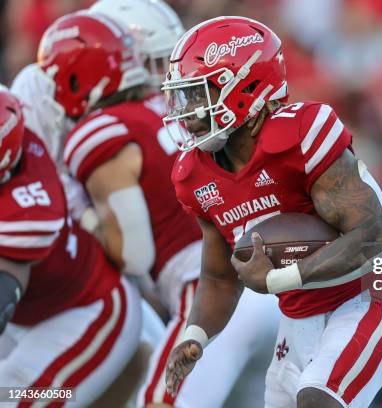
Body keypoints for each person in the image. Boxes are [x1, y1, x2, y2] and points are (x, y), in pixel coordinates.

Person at [163, 16, 382, 408]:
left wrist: (281, 278)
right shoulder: (194, 174)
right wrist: (194, 335)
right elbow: (218, 276)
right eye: (185, 97)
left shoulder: (300, 134)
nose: (190, 111)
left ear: (246, 87)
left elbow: (370, 235)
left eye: (201, 94)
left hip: (365, 301)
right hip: (297, 321)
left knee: (317, 399)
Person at [38, 10, 278, 407]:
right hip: (271, 289)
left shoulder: (99, 132)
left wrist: (82, 214)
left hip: (212, 295)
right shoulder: (167, 110)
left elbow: (135, 254)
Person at [0, 87, 141, 407]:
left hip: (86, 311)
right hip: (28, 315)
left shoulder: (29, 212)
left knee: (14, 399)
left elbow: (4, 288)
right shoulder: (16, 134)